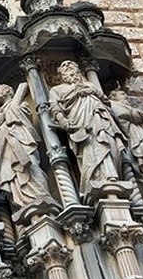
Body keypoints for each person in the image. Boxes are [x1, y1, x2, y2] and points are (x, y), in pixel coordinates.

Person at [49, 60, 124, 193]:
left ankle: (112, 176)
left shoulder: (90, 85)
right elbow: (55, 108)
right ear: (61, 74)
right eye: (65, 67)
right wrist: (63, 121)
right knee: (90, 149)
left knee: (109, 145)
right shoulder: (57, 90)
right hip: (80, 123)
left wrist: (92, 91)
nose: (69, 69)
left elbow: (106, 102)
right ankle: (94, 179)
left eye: (72, 66)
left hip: (100, 119)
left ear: (78, 71)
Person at [0, 84, 51, 211]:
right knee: (13, 177)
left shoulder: (19, 104)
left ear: (7, 92)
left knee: (31, 168)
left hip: (22, 142)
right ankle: (24, 205)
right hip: (6, 150)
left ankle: (42, 197)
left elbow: (25, 120)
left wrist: (7, 114)